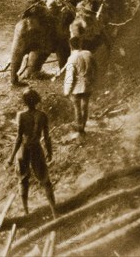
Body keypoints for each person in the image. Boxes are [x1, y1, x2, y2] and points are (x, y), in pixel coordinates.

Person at [8, 88, 58, 218]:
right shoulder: (42, 115)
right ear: (37, 100)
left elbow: (19, 138)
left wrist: (11, 157)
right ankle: (54, 212)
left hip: (23, 149)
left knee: (23, 179)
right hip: (36, 148)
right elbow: (46, 137)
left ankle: (26, 213)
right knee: (45, 180)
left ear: (24, 101)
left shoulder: (21, 115)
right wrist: (49, 151)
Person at [63, 36, 97, 134]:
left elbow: (70, 77)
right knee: (85, 106)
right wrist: (92, 80)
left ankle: (80, 129)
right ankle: (83, 126)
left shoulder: (72, 58)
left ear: (71, 46)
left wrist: (67, 91)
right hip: (88, 85)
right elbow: (96, 69)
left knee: (77, 108)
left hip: (76, 88)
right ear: (80, 44)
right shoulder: (89, 54)